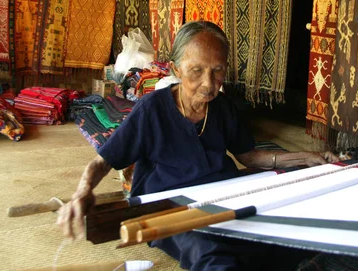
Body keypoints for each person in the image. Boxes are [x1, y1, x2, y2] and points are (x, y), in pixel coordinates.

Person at [57, 21, 339, 270]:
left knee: (282, 237)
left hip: (223, 196)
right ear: (175, 68)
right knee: (209, 254)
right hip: (168, 206)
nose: (208, 83)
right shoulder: (151, 110)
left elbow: (249, 156)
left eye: (218, 71)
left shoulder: (224, 107)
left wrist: (306, 158)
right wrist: (82, 191)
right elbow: (104, 160)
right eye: (196, 71)